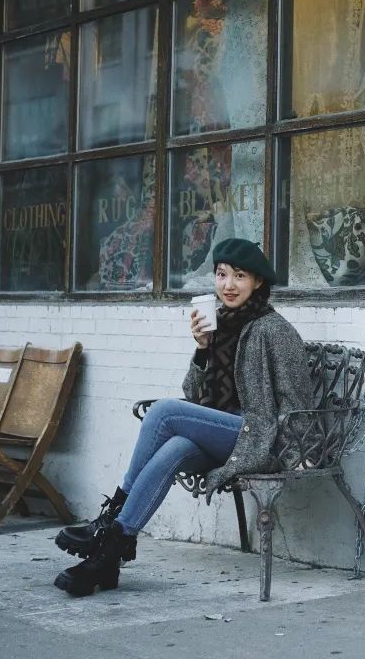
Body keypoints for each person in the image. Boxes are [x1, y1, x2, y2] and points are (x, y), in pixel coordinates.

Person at [52, 238, 314, 597]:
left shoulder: (274, 330)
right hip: (224, 433)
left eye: (240, 276)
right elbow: (194, 395)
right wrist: (203, 348)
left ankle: (108, 518)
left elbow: (298, 400)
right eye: (221, 275)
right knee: (174, 448)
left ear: (258, 282)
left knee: (163, 411)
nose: (229, 285)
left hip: (257, 437)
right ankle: (108, 555)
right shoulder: (218, 324)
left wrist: (297, 451)